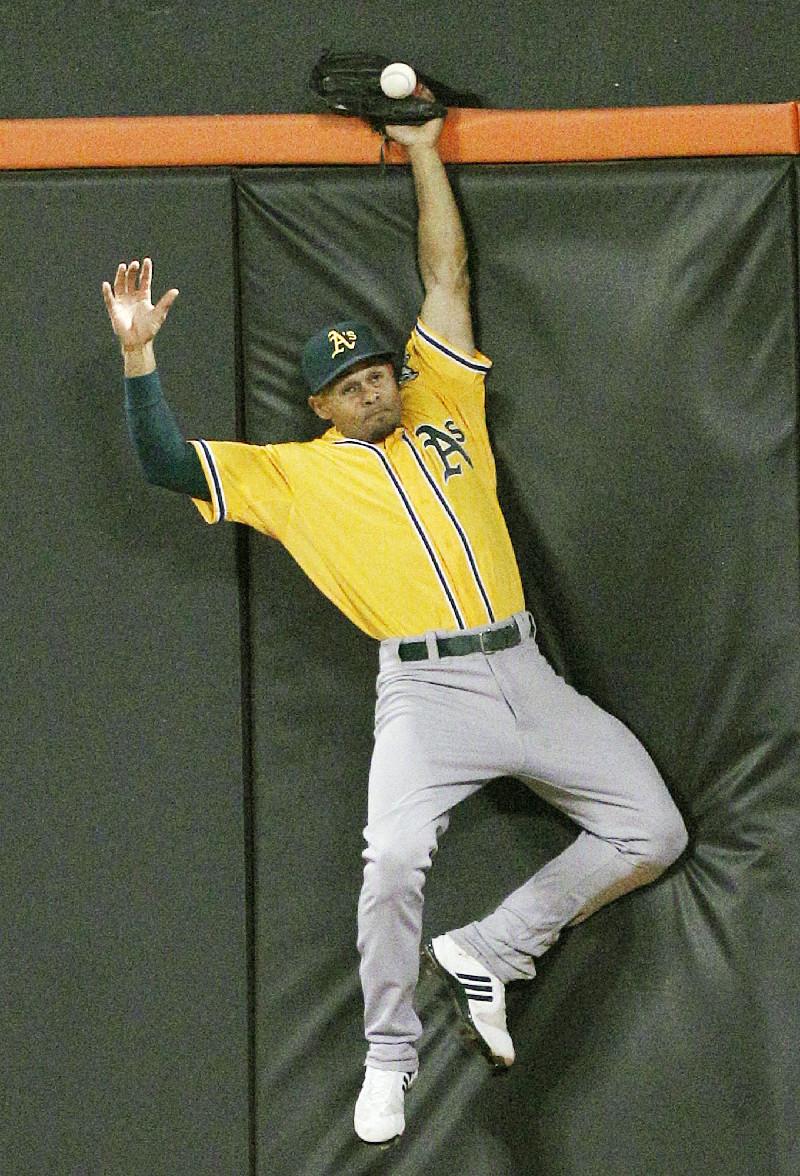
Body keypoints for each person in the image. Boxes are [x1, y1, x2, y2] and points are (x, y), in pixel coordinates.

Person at [102, 105, 688, 1147]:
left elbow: (445, 278)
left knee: (652, 830)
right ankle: (387, 1057)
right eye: (347, 384)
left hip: (525, 671)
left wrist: (422, 151)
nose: (371, 387)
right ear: (321, 407)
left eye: (375, 371)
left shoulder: (441, 408)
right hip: (425, 694)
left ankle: (493, 949)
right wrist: (140, 357)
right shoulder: (291, 477)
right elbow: (161, 464)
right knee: (391, 859)